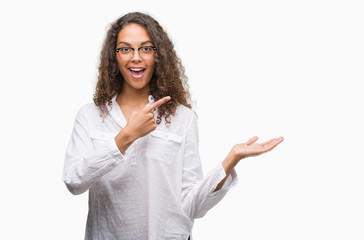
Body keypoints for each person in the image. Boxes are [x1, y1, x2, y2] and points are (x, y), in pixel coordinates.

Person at [63, 12, 284, 240]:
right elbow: (74, 181)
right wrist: (126, 136)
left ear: (158, 56)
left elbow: (192, 206)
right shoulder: (89, 116)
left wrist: (230, 161)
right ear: (114, 56)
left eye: (146, 48)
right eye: (126, 48)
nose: (136, 57)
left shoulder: (182, 118)